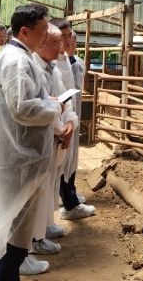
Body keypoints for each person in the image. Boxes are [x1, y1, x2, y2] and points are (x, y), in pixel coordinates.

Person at [0, 4, 62, 280]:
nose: (46, 36)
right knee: (13, 240)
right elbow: (22, 108)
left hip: (20, 157)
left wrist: (48, 103)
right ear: (25, 30)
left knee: (12, 236)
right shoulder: (17, 61)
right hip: (18, 159)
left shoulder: (21, 57)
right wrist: (54, 107)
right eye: (42, 30)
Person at [30, 25, 78, 254]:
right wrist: (61, 129)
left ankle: (44, 228)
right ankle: (33, 239)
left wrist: (69, 124)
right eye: (56, 42)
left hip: (56, 138)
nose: (61, 46)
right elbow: (37, 108)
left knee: (49, 186)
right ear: (41, 43)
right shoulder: (33, 69)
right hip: (42, 139)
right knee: (36, 190)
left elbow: (63, 101)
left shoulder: (54, 69)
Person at [51, 18, 95, 220]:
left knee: (68, 162)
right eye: (64, 36)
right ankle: (69, 204)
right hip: (58, 122)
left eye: (71, 36)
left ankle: (70, 199)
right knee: (60, 163)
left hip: (69, 118)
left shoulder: (67, 61)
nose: (69, 41)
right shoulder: (52, 64)